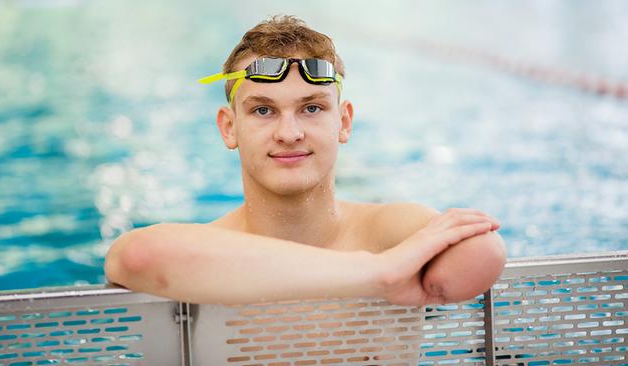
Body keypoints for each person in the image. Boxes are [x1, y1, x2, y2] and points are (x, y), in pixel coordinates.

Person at [104, 15, 506, 306]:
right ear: (229, 128)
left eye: (311, 108)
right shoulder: (205, 250)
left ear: (343, 122)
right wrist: (378, 274)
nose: (289, 132)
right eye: (263, 110)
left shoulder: (386, 231)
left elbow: (482, 253)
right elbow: (134, 257)